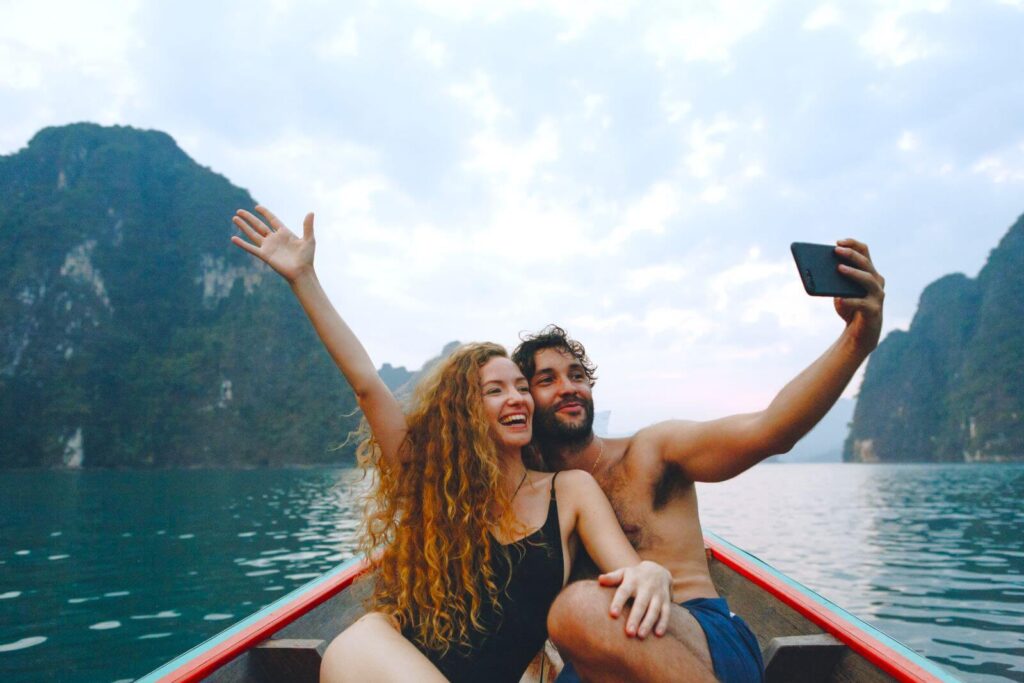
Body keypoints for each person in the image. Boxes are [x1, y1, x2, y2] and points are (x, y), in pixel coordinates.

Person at [230, 205, 675, 683]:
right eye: (496, 390)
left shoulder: (569, 492)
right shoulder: (432, 485)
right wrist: (304, 279)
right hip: (396, 666)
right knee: (363, 636)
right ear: (464, 412)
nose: (517, 398)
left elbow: (630, 575)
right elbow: (367, 384)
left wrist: (653, 573)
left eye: (522, 387)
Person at [511, 239, 885, 683]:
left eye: (577, 376)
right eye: (548, 380)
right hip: (602, 655)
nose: (569, 387)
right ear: (524, 399)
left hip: (697, 631)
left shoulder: (651, 451)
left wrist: (857, 339)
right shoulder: (531, 488)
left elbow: (769, 430)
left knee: (582, 610)